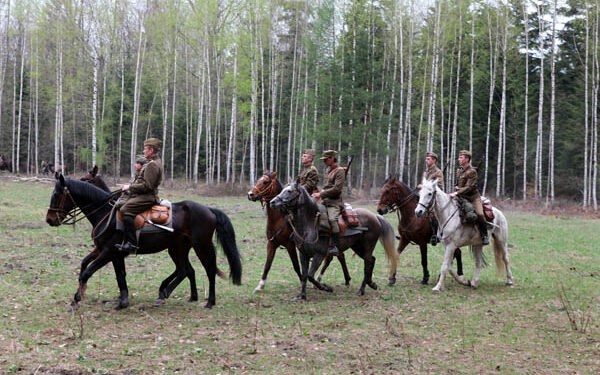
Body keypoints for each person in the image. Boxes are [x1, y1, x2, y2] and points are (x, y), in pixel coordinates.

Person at [116, 138, 164, 253]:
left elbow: (147, 186)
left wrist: (130, 187)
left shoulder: (152, 165)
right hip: (143, 194)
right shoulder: (152, 163)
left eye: (145, 149)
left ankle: (132, 244)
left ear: (151, 150)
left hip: (147, 197)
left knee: (125, 210)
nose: (143, 151)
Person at [448, 150, 489, 245]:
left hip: (473, 197)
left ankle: (484, 235)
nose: (459, 159)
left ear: (467, 159)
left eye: (461, 158)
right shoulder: (459, 170)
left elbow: (469, 187)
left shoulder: (472, 172)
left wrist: (456, 192)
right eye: (459, 157)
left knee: (480, 214)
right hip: (461, 196)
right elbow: (458, 184)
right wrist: (456, 188)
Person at [312, 150, 345, 256]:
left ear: (331, 158)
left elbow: (336, 189)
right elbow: (327, 186)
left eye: (326, 159)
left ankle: (335, 246)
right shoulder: (328, 169)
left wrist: (321, 194)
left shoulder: (339, 171)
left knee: (332, 220)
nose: (324, 162)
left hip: (334, 202)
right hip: (324, 201)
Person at [417, 152, 443, 245]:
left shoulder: (438, 172)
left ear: (434, 160)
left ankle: (435, 235)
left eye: (428, 159)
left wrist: (427, 186)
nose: (426, 160)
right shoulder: (426, 172)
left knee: (433, 215)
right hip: (425, 195)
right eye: (426, 159)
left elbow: (439, 186)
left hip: (434, 197)